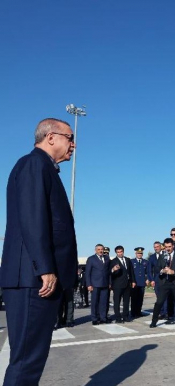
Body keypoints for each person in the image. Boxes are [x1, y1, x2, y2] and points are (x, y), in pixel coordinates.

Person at [0, 118, 78, 385]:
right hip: (32, 279)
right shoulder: (34, 164)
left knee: (30, 360)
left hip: (34, 278)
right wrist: (45, 268)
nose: (74, 144)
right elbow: (33, 219)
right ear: (51, 137)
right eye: (70, 137)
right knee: (25, 362)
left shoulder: (44, 168)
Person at [150, 238, 175, 327]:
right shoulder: (162, 256)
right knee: (159, 302)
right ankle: (154, 321)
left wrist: (173, 272)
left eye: (170, 247)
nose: (168, 249)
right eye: (166, 247)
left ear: (173, 246)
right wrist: (162, 270)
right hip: (164, 282)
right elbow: (156, 268)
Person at [86, 244, 111, 325]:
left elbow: (108, 272)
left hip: (105, 283)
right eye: (99, 249)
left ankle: (103, 317)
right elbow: (88, 273)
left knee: (104, 302)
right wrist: (89, 284)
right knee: (95, 303)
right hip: (95, 284)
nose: (100, 251)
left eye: (102, 249)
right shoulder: (91, 259)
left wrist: (110, 282)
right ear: (95, 250)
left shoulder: (107, 258)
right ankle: (95, 318)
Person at [110, 245, 135, 323]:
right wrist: (113, 270)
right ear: (116, 253)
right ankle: (118, 317)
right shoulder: (113, 261)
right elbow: (110, 273)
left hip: (127, 284)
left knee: (126, 301)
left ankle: (125, 316)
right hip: (117, 285)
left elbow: (131, 271)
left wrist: (133, 281)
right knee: (117, 302)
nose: (120, 253)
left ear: (123, 252)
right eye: (118, 252)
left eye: (121, 252)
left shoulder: (127, 260)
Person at [148, 241, 168, 318]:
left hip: (165, 278)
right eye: (155, 247)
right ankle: (162, 312)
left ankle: (166, 312)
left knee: (165, 296)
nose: (156, 248)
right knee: (159, 297)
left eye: (157, 246)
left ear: (160, 246)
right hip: (156, 279)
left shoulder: (165, 254)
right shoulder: (152, 257)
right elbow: (149, 270)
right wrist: (151, 280)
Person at [130, 247, 149, 318]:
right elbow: (130, 272)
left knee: (140, 298)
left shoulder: (145, 262)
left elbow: (147, 272)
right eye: (138, 253)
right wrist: (131, 281)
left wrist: (147, 279)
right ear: (135, 253)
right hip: (134, 283)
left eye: (141, 253)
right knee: (134, 298)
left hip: (142, 283)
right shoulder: (132, 261)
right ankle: (133, 313)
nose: (140, 255)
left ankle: (138, 312)